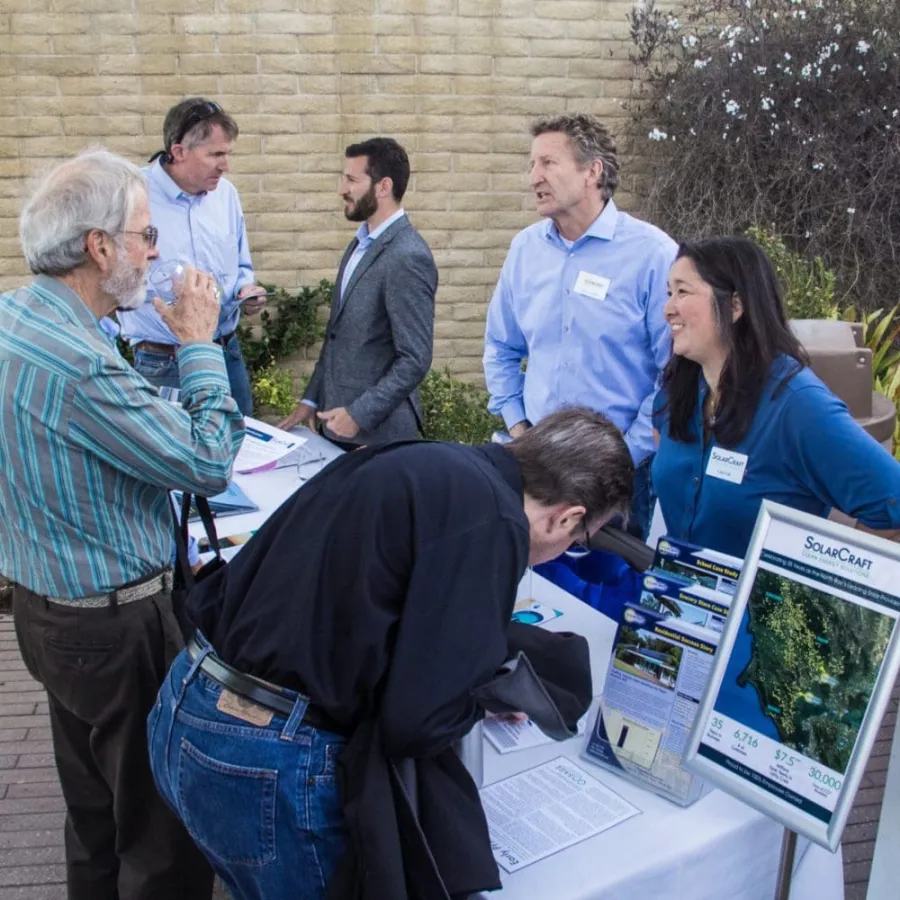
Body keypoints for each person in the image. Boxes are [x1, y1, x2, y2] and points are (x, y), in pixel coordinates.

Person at [147, 408, 634, 899]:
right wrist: (473, 697)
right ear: (568, 518)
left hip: (186, 702)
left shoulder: (426, 461)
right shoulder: (494, 518)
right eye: (580, 539)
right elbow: (417, 723)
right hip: (263, 759)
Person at [0, 147, 245, 899]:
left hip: (47, 611)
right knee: (159, 831)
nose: (156, 248)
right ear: (98, 247)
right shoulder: (78, 360)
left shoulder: (18, 315)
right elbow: (208, 461)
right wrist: (200, 345)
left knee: (95, 814)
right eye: (144, 233)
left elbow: (92, 428)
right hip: (115, 629)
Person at [483, 113, 677, 539]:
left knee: (613, 596)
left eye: (548, 163)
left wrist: (624, 454)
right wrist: (519, 427)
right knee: (535, 596)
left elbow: (674, 373)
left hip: (620, 478)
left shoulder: (652, 255)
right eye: (532, 164)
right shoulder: (525, 249)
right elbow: (500, 346)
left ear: (593, 171)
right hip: (534, 463)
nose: (533, 177)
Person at [652, 236, 900, 559]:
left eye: (682, 292)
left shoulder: (797, 405)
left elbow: (892, 504)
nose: (668, 308)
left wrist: (830, 581)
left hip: (760, 608)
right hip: (674, 597)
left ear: (735, 306)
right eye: (669, 293)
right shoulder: (677, 391)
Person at [278, 137, 436, 448]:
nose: (342, 189)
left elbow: (415, 358)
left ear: (383, 186)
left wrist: (360, 414)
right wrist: (311, 399)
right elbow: (337, 336)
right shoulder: (360, 244)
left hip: (380, 436)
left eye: (351, 179)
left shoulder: (408, 256)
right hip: (335, 426)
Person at [117, 97, 266, 415]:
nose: (225, 165)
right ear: (179, 150)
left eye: (227, 153)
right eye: (215, 154)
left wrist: (246, 289)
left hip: (226, 352)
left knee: (241, 453)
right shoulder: (131, 196)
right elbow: (110, 277)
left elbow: (241, 264)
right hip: (165, 360)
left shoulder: (226, 195)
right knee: (168, 462)